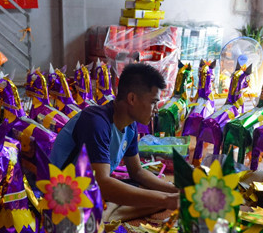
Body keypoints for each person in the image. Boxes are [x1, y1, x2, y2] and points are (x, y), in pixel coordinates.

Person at [50, 63, 179, 221]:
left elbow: (137, 172)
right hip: (65, 194)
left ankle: (111, 212)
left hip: (94, 190)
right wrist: (167, 199)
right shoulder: (96, 122)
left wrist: (175, 191)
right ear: (132, 98)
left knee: (150, 192)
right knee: (157, 199)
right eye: (153, 102)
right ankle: (107, 213)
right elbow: (102, 183)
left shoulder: (130, 125)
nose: (156, 109)